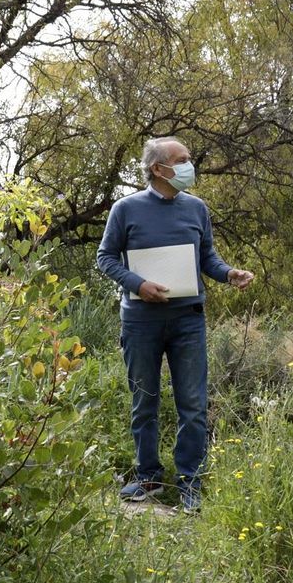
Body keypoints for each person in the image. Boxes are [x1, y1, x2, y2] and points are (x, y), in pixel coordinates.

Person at [96, 138, 253, 512]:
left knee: (194, 406)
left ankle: (190, 484)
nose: (189, 165)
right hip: (140, 322)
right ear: (158, 169)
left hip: (188, 321)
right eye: (182, 160)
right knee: (144, 402)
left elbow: (208, 258)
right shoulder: (125, 209)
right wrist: (139, 285)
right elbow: (105, 258)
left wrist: (228, 273)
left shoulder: (196, 209)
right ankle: (147, 477)